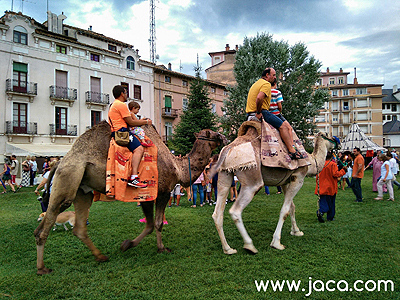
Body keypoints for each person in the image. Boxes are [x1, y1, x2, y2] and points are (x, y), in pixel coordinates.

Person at [246, 67, 302, 160]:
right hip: (262, 112)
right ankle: (291, 150)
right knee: (283, 126)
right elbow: (259, 98)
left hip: (249, 114)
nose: (275, 77)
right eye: (274, 75)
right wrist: (259, 112)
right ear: (267, 75)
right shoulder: (266, 84)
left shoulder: (256, 84)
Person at [108, 85, 152, 188]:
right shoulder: (121, 105)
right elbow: (131, 122)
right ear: (122, 94)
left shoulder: (113, 105)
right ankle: (134, 177)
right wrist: (145, 122)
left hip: (116, 130)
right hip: (122, 132)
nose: (127, 95)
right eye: (126, 92)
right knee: (139, 149)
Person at [315, 151, 347, 222]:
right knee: (331, 203)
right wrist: (343, 170)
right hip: (330, 187)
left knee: (323, 201)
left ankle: (322, 212)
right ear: (331, 157)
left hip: (321, 187)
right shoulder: (332, 164)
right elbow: (336, 174)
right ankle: (328, 216)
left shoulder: (320, 164)